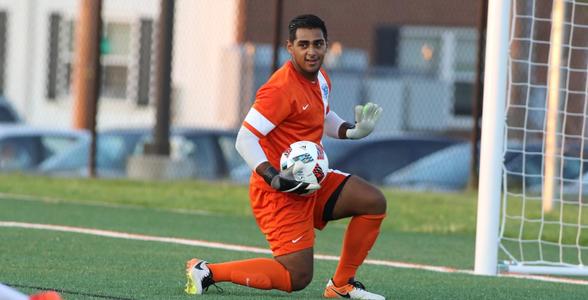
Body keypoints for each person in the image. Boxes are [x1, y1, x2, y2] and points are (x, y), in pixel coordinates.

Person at [185, 14, 386, 299]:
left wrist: (352, 131)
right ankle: (208, 271)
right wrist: (273, 177)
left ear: (326, 45)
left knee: (372, 202)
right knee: (297, 276)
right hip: (278, 192)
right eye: (303, 44)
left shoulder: (321, 78)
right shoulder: (279, 89)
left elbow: (324, 115)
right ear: (290, 47)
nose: (311, 51)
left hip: (311, 180)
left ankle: (341, 286)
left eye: (318, 44)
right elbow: (245, 138)